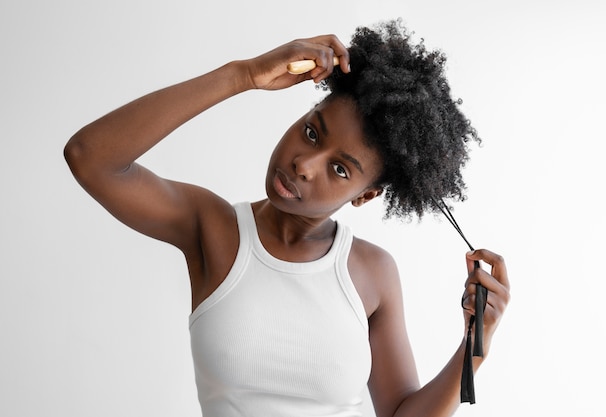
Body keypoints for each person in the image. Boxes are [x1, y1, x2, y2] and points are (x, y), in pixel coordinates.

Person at [64, 18, 510, 417]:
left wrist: (477, 343)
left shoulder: (373, 272)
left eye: (340, 169)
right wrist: (243, 75)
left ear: (366, 195)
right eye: (312, 132)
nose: (304, 164)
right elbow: (91, 158)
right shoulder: (214, 230)